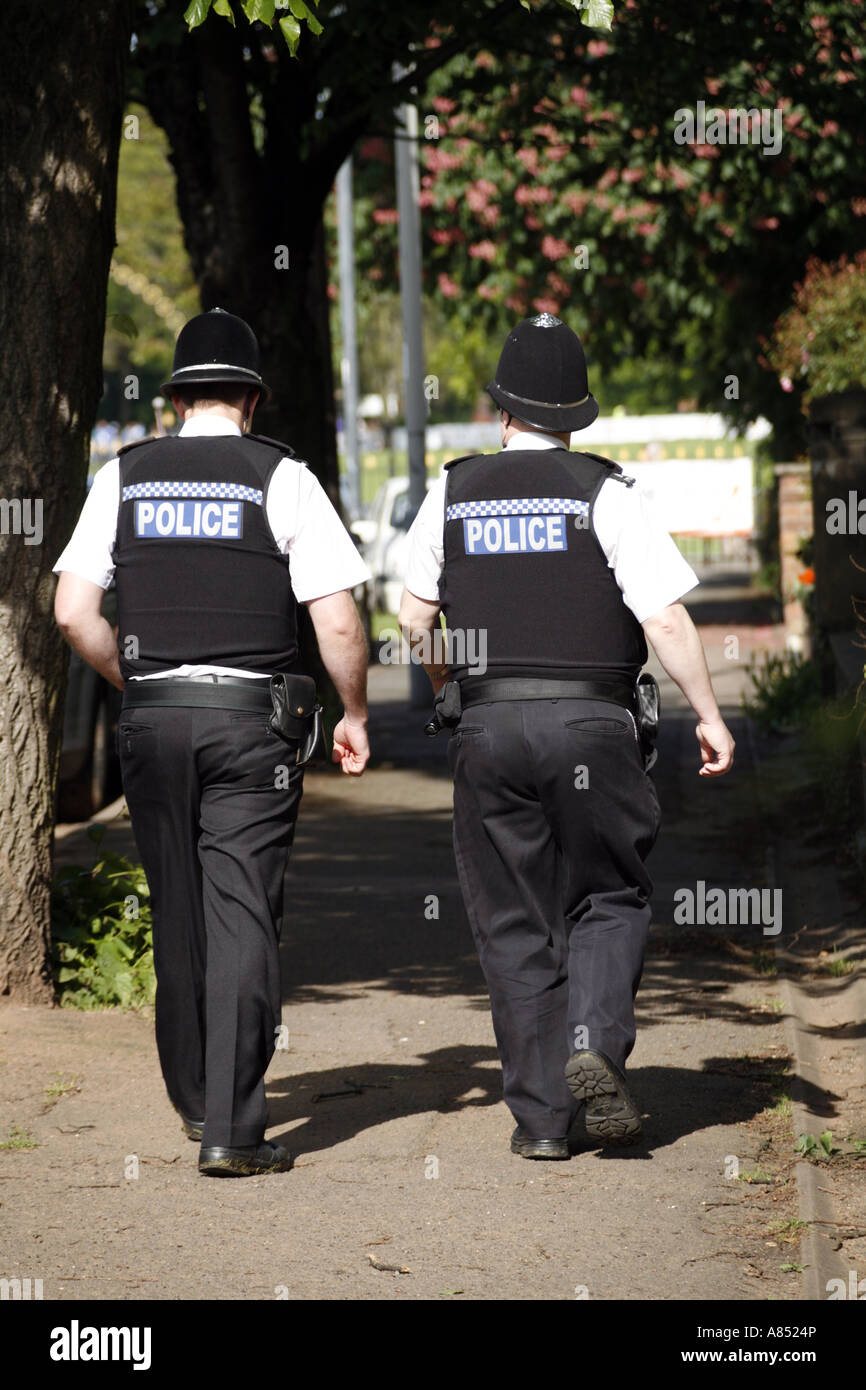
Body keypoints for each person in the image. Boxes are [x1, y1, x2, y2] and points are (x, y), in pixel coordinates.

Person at [398, 313, 734, 1159]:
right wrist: (711, 713)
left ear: (502, 411)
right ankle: (593, 1040)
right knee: (609, 894)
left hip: (487, 726)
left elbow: (412, 616)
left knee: (513, 918)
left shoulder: (455, 489)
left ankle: (543, 1122)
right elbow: (663, 616)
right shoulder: (604, 492)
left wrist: (449, 690)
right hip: (593, 726)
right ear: (575, 415)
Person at [54, 308, 371, 1177]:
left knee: (179, 904)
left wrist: (141, 683)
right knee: (241, 911)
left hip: (151, 720)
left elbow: (72, 612)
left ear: (178, 397)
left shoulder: (126, 476)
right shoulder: (282, 477)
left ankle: (195, 1097)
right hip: (249, 725)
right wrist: (354, 711)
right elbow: (336, 619)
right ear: (252, 398)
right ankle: (233, 1128)